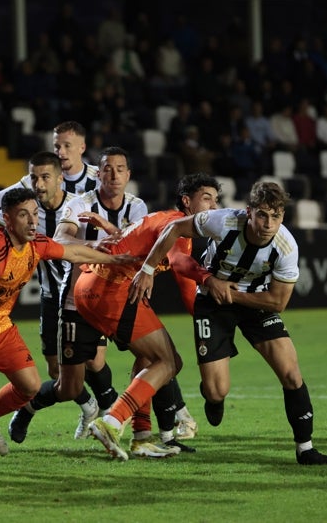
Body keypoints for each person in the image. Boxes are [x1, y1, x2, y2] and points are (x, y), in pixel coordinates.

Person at [129, 180, 327, 466]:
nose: (268, 223)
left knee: (290, 371)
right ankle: (212, 398)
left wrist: (233, 294)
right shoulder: (224, 220)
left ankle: (306, 449)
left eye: (275, 216)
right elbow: (175, 228)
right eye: (262, 215)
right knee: (216, 391)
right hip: (212, 303)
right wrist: (148, 269)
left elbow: (277, 302)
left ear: (283, 217)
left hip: (254, 303)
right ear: (248, 212)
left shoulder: (286, 248)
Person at [0, 122, 116, 435]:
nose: (61, 151)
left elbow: (110, 218)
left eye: (67, 145)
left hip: (81, 293)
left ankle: (116, 412)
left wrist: (125, 254)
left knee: (94, 361)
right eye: (58, 145)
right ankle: (88, 406)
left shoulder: (90, 191)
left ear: (80, 149)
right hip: (47, 294)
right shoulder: (27, 205)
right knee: (57, 370)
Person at [0, 187, 135, 472]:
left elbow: (73, 252)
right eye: (23, 215)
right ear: (7, 219)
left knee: (30, 385)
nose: (32, 221)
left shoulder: (36, 244)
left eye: (35, 214)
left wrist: (115, 259)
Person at [6, 147, 150, 451]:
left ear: (128, 174)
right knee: (65, 380)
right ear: (98, 173)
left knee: (147, 357)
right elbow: (60, 239)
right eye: (107, 169)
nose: (113, 175)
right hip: (70, 297)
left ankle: (144, 428)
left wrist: (111, 232)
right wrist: (100, 241)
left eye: (119, 169)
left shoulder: (137, 207)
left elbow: (138, 247)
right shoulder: (79, 204)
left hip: (112, 297)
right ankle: (31, 408)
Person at [76, 173, 221, 460]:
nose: (214, 207)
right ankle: (112, 421)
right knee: (169, 361)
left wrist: (211, 322)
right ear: (187, 202)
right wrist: (210, 280)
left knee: (147, 358)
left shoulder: (168, 222)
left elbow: (186, 289)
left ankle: (142, 437)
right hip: (112, 289)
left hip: (93, 286)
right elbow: (180, 264)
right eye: (207, 199)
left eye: (217, 201)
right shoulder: (176, 224)